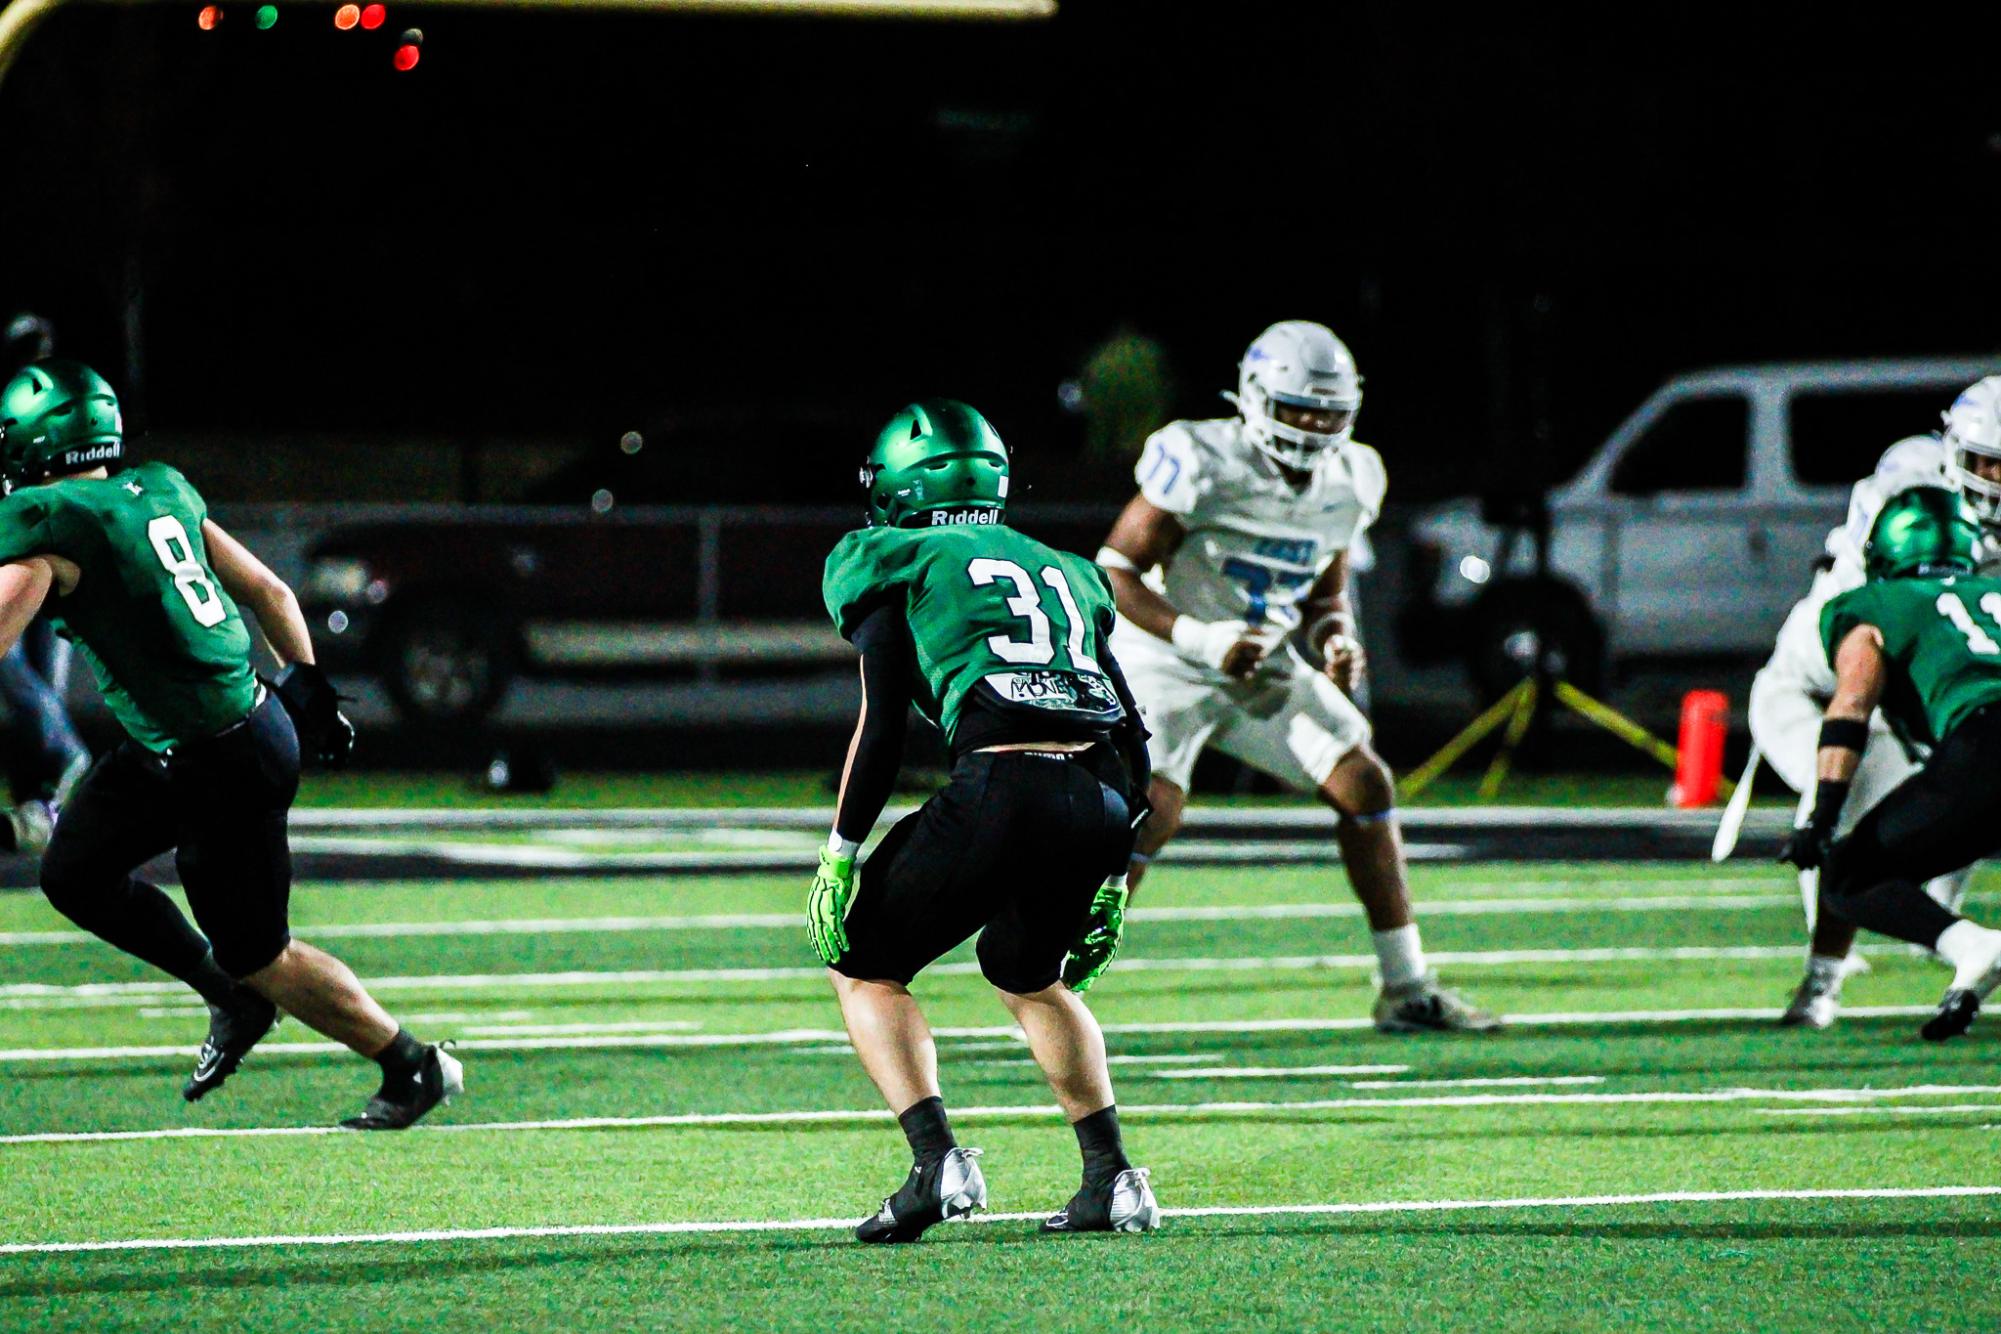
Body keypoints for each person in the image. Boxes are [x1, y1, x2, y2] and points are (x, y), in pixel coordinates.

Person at [0, 359, 461, 1127]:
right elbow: (271, 592)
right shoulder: (161, 487)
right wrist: (307, 685)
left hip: (221, 760)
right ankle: (227, 996)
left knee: (263, 955)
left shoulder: (52, 522)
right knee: (74, 871)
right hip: (196, 740)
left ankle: (412, 1064)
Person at [814, 398, 1160, 1242]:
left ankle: (936, 1162)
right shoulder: (1064, 567)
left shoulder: (889, 555)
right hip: (1098, 797)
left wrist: (840, 850)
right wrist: (1118, 867)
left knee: (862, 966)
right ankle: (1112, 1179)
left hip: (1003, 785)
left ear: (900, 484)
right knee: (1027, 974)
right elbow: (1132, 729)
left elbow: (884, 721)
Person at [1095, 321, 1494, 1032]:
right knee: (1148, 811)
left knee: (1363, 781)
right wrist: (1199, 636)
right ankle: (1053, 983)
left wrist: (1333, 636)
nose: (1312, 429)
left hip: (1260, 661)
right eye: (1297, 410)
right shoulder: (1200, 456)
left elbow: (1323, 590)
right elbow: (1114, 570)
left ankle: (1405, 988)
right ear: (1252, 399)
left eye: (1326, 414)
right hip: (1164, 653)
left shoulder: (1352, 477)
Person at [1750, 377, 2001, 1026]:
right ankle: (1824, 981)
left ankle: (1955, 939)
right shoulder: (1905, 502)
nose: (1996, 479)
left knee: (1857, 851)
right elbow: (1857, 686)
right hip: (1824, 671)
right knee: (1860, 786)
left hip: (1948, 698)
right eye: (1987, 463)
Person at [0, 311, 88, 846]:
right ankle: (58, 766)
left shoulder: (56, 418)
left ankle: (42, 802)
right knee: (23, 684)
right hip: (23, 563)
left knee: (32, 688)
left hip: (47, 565)